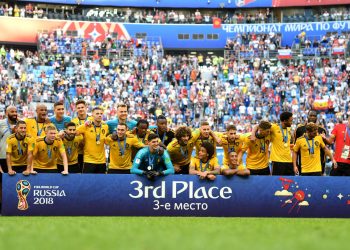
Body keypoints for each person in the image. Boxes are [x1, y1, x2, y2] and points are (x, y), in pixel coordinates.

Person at [294, 110, 328, 174]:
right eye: (311, 115)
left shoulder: (322, 130)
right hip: (304, 165)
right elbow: (295, 148)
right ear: (307, 116)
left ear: (317, 117)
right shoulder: (299, 129)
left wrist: (323, 163)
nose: (312, 117)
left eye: (314, 116)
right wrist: (295, 164)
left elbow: (325, 149)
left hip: (318, 165)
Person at [77, 107, 109, 174]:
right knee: (87, 183)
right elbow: (75, 132)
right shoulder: (87, 126)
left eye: (101, 114)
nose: (99, 115)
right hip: (89, 160)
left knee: (101, 183)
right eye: (97, 113)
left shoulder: (105, 127)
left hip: (102, 161)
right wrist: (84, 124)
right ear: (92, 115)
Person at [269, 111, 294, 175]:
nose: (292, 122)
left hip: (289, 161)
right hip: (277, 161)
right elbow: (259, 126)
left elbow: (285, 143)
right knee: (276, 183)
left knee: (291, 183)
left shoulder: (289, 130)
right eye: (290, 121)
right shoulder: (274, 127)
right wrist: (253, 135)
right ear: (285, 121)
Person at [71, 99, 91, 171]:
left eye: (82, 107)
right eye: (78, 108)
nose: (80, 109)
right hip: (78, 152)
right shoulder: (73, 121)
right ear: (76, 109)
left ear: (86, 107)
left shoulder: (92, 119)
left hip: (90, 153)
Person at [0, 106, 18, 174]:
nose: (15, 113)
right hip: (3, 156)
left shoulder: (20, 124)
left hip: (17, 159)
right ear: (6, 113)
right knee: (3, 180)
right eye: (12, 111)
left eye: (16, 112)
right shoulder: (1, 123)